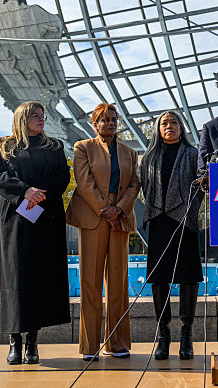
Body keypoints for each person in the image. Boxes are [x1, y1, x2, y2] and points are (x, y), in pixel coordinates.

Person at [0, 101, 71, 365]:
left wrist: (39, 194)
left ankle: (33, 341)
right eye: (35, 115)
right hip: (15, 220)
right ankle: (15, 340)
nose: (41, 119)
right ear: (22, 118)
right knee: (16, 278)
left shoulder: (54, 146)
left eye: (42, 115)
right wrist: (25, 190)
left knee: (40, 278)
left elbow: (63, 176)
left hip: (45, 218)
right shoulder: (2, 145)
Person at [65, 103, 140, 361]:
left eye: (113, 119)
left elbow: (134, 184)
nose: (110, 123)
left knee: (118, 282)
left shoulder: (129, 152)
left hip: (119, 219)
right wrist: (104, 209)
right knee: (90, 281)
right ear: (94, 123)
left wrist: (118, 209)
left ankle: (116, 343)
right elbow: (84, 183)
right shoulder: (83, 147)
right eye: (104, 119)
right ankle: (89, 345)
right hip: (94, 219)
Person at [139, 111, 204, 360]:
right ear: (158, 128)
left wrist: (187, 206)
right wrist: (158, 208)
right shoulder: (149, 156)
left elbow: (200, 185)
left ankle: (186, 335)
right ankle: (163, 335)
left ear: (181, 127)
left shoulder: (192, 153)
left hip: (184, 221)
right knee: (159, 279)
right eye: (165, 123)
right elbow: (146, 186)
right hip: (158, 221)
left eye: (174, 122)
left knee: (188, 278)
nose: (169, 126)